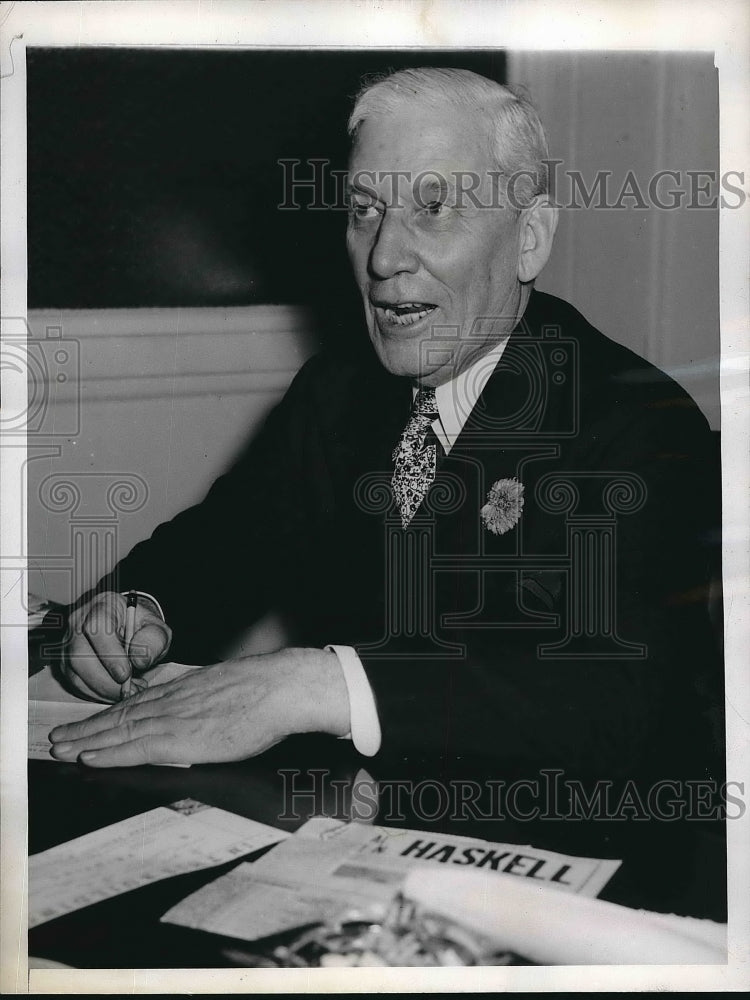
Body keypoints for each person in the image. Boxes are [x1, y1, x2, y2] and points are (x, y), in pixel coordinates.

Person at [49, 68, 721, 787]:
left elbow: (618, 700)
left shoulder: (639, 426)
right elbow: (229, 540)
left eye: (434, 210)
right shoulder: (338, 390)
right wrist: (136, 607)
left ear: (529, 239)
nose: (383, 258)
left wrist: (317, 687)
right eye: (365, 212)